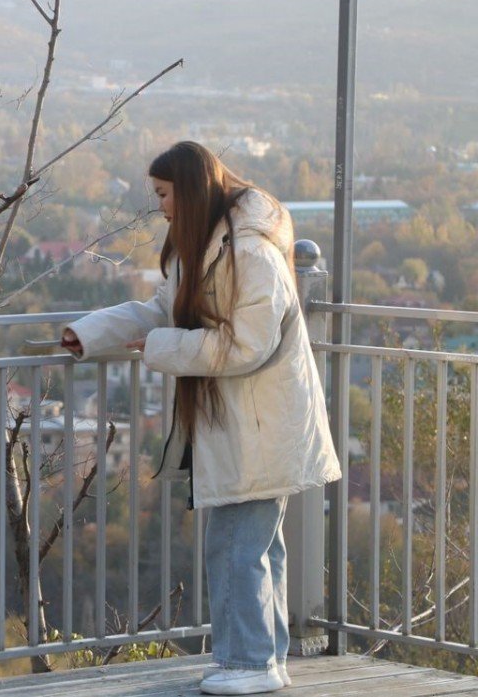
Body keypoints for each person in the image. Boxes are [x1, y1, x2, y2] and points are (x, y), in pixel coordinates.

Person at [59, 141, 340, 695]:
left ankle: (248, 663)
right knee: (256, 544)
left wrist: (163, 346)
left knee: (236, 543)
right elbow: (161, 310)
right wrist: (88, 334)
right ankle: (265, 659)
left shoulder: (251, 252)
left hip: (260, 423)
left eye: (164, 194)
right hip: (247, 424)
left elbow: (246, 346)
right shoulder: (207, 245)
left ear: (188, 190)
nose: (159, 207)